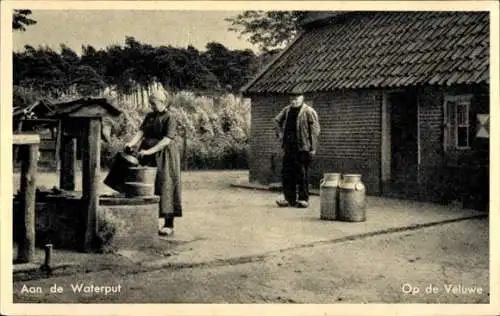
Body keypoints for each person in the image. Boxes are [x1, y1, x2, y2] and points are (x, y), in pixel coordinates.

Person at [125, 91, 182, 236]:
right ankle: (149, 223)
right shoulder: (150, 116)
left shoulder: (170, 118)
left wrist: (149, 151)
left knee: (165, 185)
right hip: (148, 155)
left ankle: (169, 224)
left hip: (165, 156)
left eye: (153, 103)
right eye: (150, 103)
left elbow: (166, 140)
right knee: (147, 186)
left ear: (163, 102)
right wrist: (131, 143)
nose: (151, 106)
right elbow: (141, 132)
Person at [273, 92, 320, 208]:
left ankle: (303, 199)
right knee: (287, 173)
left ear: (302, 98)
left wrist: (313, 148)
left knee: (302, 174)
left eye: (296, 99)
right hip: (289, 147)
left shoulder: (308, 111)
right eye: (292, 99)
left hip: (303, 148)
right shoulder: (287, 110)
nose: (294, 101)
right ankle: (289, 199)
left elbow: (315, 131)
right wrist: (279, 134)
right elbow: (276, 121)